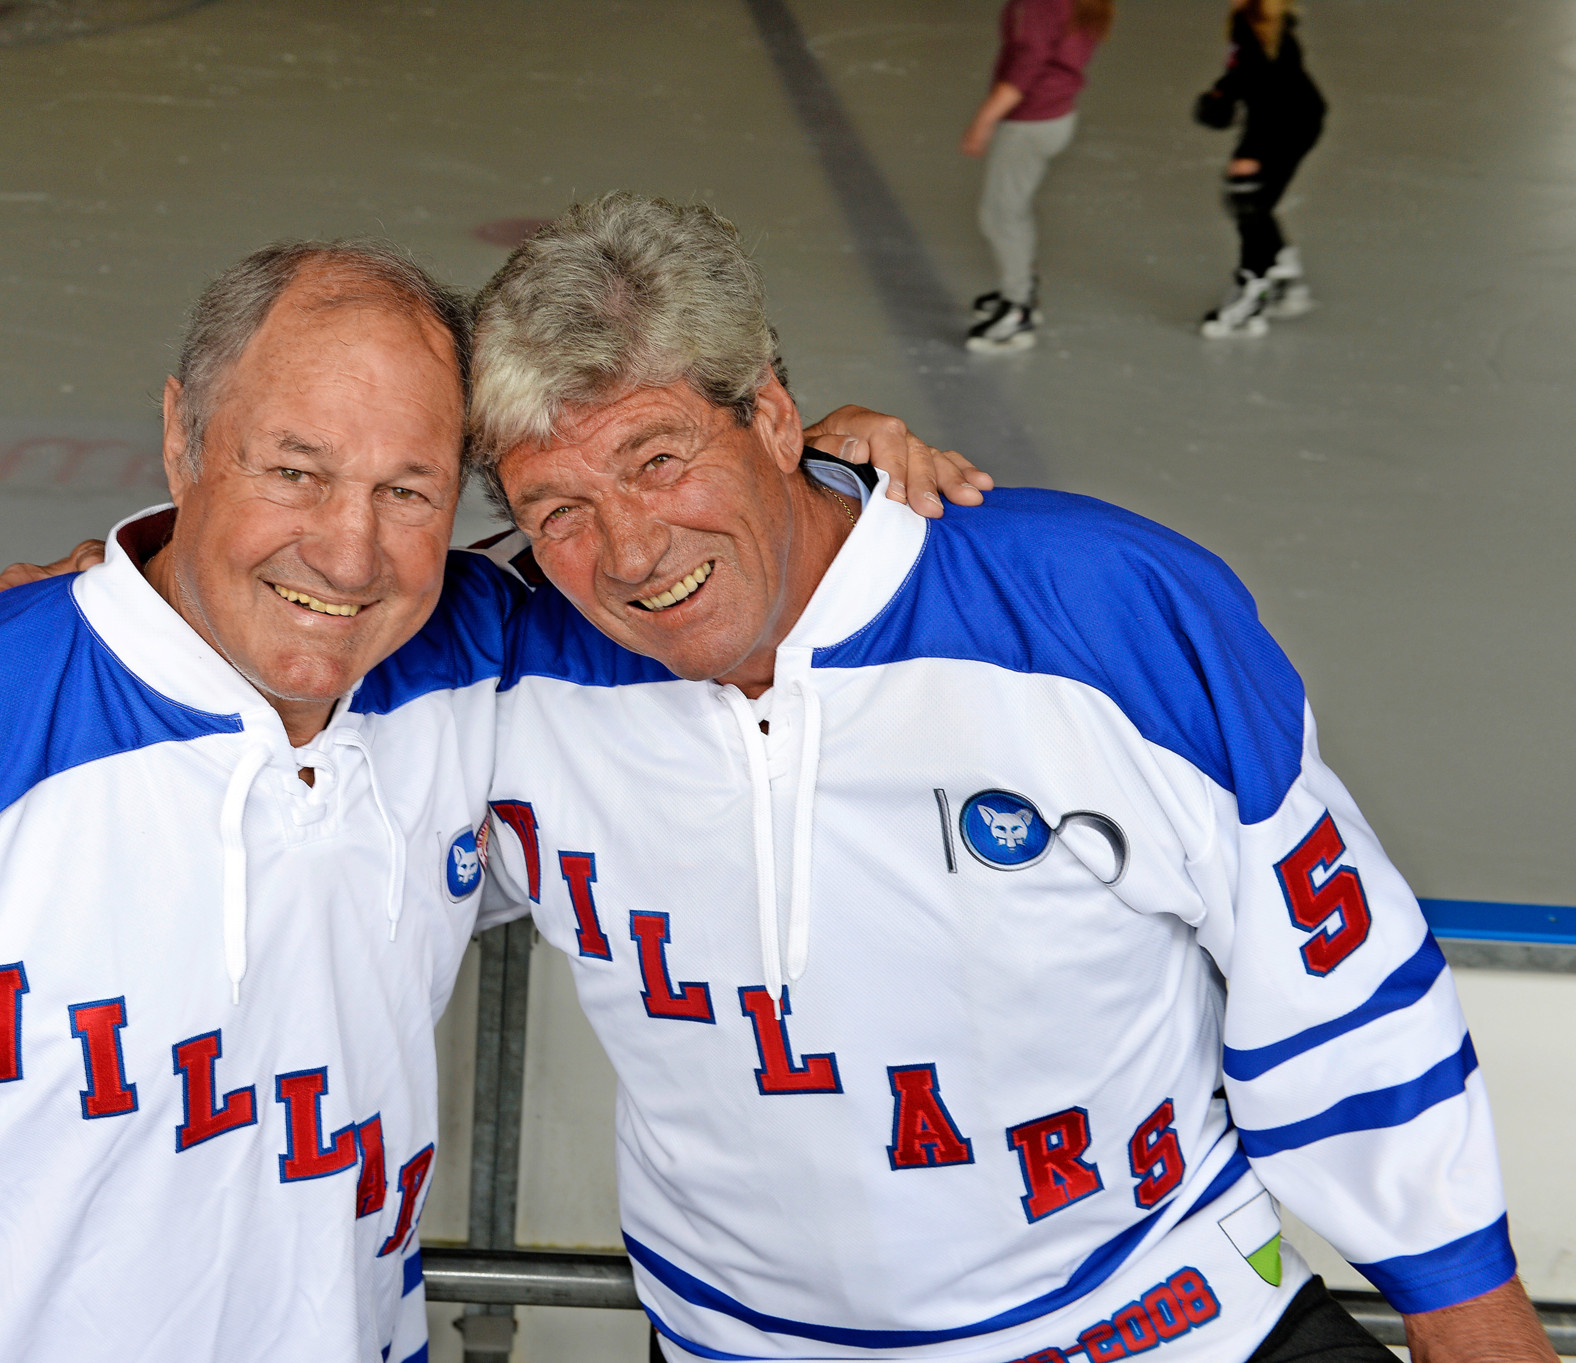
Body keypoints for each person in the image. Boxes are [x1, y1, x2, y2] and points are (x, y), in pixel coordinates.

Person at [0, 235, 980, 1362]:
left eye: (408, 491)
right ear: (184, 439)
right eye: (293, 472)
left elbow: (676, 572)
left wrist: (816, 469)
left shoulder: (465, 672)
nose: (348, 554)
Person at [463, 194, 1553, 1362]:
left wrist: (1464, 1309)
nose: (629, 551)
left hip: (1165, 1328)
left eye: (659, 460)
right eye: (557, 510)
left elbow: (1329, 979)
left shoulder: (1093, 606)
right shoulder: (498, 669)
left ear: (772, 415)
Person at [961, 0, 1113, 353]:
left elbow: (1025, 68)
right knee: (1014, 209)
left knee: (1000, 214)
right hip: (1056, 115)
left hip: (1029, 122)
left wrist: (983, 120)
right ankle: (1022, 288)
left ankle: (1017, 310)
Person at [1194, 0, 1327, 339]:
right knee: (1253, 201)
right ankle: (1282, 271)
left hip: (1288, 123)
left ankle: (1253, 292)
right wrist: (1223, 92)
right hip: (1297, 118)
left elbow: (1269, 93)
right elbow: (1249, 76)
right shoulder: (1256, 22)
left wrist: (1252, 152)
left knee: (1248, 197)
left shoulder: (1256, 29)